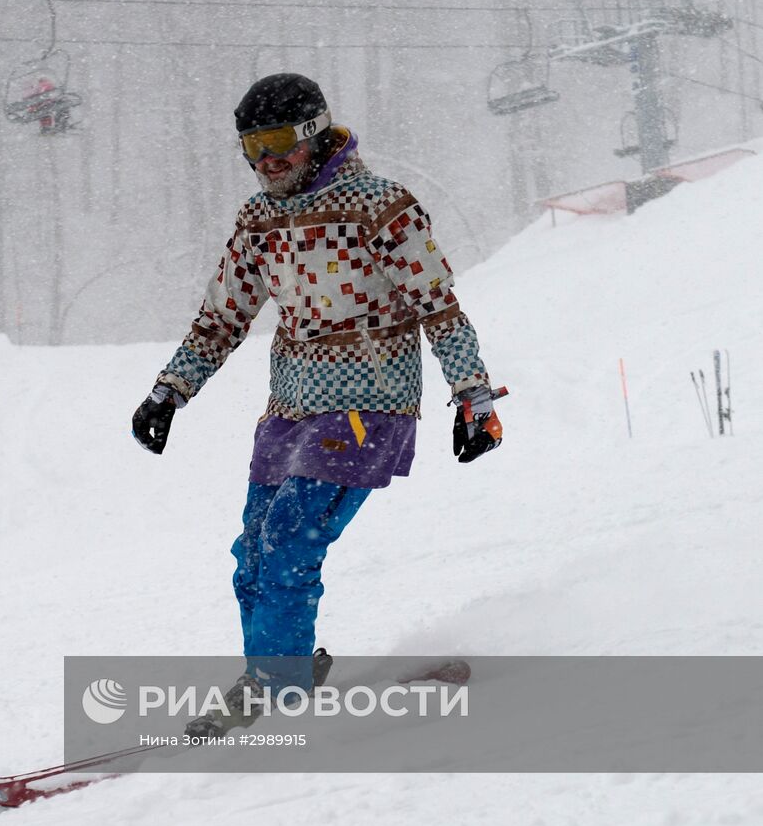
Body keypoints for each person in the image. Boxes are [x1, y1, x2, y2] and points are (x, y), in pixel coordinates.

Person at [130, 73, 503, 738]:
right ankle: (276, 675)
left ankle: (275, 690)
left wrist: (472, 397)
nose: (265, 161)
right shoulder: (260, 219)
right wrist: (169, 391)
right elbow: (222, 318)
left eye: (277, 142)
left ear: (312, 135)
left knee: (285, 545)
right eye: (251, 147)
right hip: (289, 407)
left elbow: (438, 307)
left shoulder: (381, 207)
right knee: (251, 551)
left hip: (368, 399)